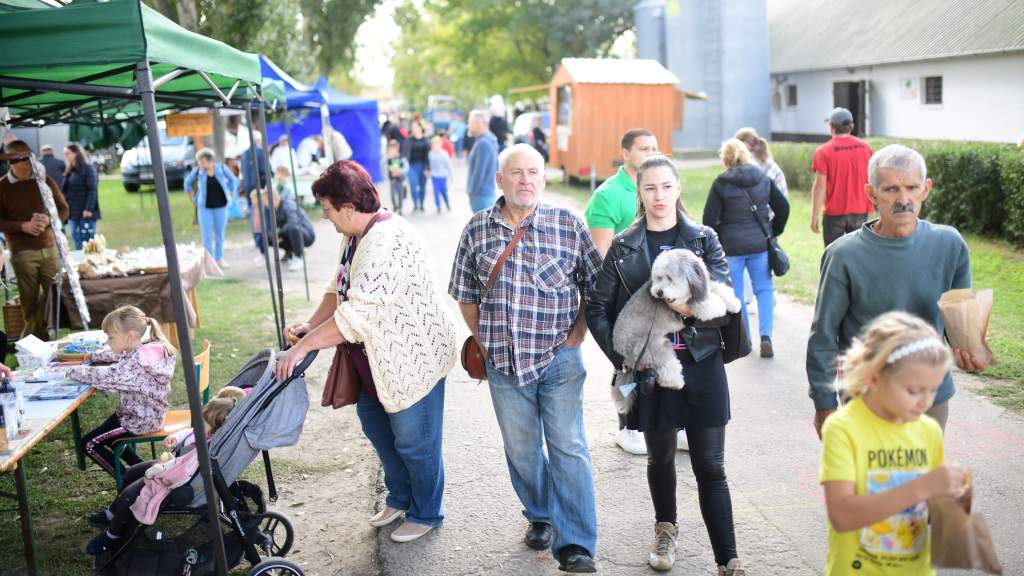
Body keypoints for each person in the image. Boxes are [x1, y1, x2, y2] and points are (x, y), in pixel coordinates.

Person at [276, 160, 458, 543]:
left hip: (411, 360)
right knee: (378, 428)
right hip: (374, 362)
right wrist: (311, 326)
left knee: (415, 441)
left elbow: (357, 313)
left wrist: (304, 349)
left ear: (347, 207)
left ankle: (427, 513)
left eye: (326, 209)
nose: (324, 217)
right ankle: (400, 496)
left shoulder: (387, 241)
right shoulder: (356, 235)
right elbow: (337, 285)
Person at [588, 154, 746, 576]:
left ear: (679, 189)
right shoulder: (623, 246)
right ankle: (666, 529)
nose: (659, 195)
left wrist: (690, 308)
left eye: (667, 186)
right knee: (659, 459)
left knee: (711, 465)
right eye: (650, 187)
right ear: (639, 192)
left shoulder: (703, 239)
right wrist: (625, 355)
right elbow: (598, 308)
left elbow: (725, 299)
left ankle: (727, 558)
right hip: (651, 368)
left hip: (701, 361)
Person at [449, 144, 602, 573]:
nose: (525, 179)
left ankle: (576, 545)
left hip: (559, 359)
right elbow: (465, 293)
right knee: (521, 449)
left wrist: (578, 332)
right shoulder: (477, 229)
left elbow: (595, 284)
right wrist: (483, 339)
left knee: (568, 446)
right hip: (501, 362)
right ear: (499, 180)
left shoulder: (567, 224)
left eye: (533, 171)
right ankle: (540, 513)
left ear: (544, 177)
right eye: (516, 172)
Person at [808, 144, 990, 438]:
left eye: (911, 187)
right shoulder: (843, 255)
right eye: (891, 189)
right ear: (871, 194)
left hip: (930, 397)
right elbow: (824, 336)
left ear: (925, 189)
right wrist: (823, 403)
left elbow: (960, 325)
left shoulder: (950, 245)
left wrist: (971, 350)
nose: (903, 199)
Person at [819, 311, 966, 576]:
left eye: (933, 389)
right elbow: (842, 516)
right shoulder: (844, 428)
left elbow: (929, 511)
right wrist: (922, 486)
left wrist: (948, 504)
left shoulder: (928, 430)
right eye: (914, 390)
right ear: (874, 378)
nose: (926, 402)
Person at [85, 387, 246, 556]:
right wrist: (175, 438)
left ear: (216, 429)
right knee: (132, 472)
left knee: (128, 496)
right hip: (171, 466)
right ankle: (111, 515)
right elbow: (189, 432)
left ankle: (111, 536)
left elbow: (182, 472)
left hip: (175, 480)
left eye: (204, 422)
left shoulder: (205, 449)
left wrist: (158, 470)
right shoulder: (202, 431)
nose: (199, 423)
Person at [584, 128, 660, 455]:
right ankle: (628, 426)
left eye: (655, 148)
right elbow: (600, 257)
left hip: (659, 294)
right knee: (627, 364)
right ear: (625, 153)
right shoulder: (608, 195)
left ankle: (669, 423)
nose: (651, 153)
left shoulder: (659, 187)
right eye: (644, 148)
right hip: (624, 297)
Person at [702, 139, 790, 359]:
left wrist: (714, 244)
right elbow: (783, 206)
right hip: (759, 244)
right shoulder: (762, 177)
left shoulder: (721, 183)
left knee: (738, 294)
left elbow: (708, 219)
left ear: (725, 159)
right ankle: (766, 337)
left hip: (731, 248)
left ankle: (746, 339)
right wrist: (773, 231)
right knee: (764, 289)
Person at [67, 306, 176, 478]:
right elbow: (122, 357)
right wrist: (94, 357)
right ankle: (142, 469)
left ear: (130, 335)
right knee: (108, 437)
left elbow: (109, 376)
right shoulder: (148, 349)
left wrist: (72, 371)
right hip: (143, 414)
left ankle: (128, 481)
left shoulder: (136, 363)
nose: (108, 341)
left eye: (110, 337)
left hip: (139, 420)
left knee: (88, 444)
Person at [0, 140, 70, 340]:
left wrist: (48, 220)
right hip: (22, 252)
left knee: (54, 296)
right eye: (23, 161)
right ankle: (40, 342)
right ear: (11, 163)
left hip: (50, 248)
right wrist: (23, 226)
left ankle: (30, 338)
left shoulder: (44, 181)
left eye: (30, 159)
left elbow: (64, 210)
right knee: (29, 301)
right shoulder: (2, 187)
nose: (29, 165)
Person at [810, 108, 874, 246]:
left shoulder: (823, 151)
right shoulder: (866, 148)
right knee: (858, 255)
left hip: (834, 214)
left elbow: (820, 186)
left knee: (833, 257)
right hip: (860, 211)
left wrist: (814, 217)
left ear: (832, 127)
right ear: (851, 126)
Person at [184, 149, 238, 269]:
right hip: (204, 208)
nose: (200, 164)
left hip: (221, 207)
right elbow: (187, 183)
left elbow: (233, 181)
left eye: (202, 162)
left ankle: (219, 259)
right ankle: (209, 262)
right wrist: (192, 199)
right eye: (199, 162)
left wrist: (231, 194)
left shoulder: (221, 168)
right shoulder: (198, 171)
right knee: (207, 236)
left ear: (209, 161)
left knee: (220, 234)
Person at [268, 170, 315, 272]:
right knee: (270, 238)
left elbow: (293, 223)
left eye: (267, 202)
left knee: (293, 228)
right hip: (293, 232)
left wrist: (279, 233)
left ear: (274, 199)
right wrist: (275, 235)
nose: (266, 205)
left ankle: (298, 257)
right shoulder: (276, 209)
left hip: (307, 235)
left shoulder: (288, 205)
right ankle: (290, 253)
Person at [62, 143, 101, 250]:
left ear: (76, 153)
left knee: (88, 241)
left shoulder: (88, 168)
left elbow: (92, 189)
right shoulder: (70, 170)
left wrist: (88, 209)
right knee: (76, 238)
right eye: (65, 153)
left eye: (68, 153)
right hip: (73, 211)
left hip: (86, 212)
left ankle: (91, 262)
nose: (66, 156)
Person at [465, 109, 499, 213]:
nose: (468, 126)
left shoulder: (483, 143)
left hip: (481, 196)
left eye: (470, 123)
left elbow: (479, 172)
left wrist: (471, 191)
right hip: (486, 194)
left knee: (482, 229)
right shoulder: (490, 140)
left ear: (479, 124)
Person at [403, 121, 431, 212]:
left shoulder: (426, 140)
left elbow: (428, 155)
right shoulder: (408, 140)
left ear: (420, 128)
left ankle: (422, 204)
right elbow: (404, 153)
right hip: (412, 166)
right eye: (412, 127)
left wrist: (427, 168)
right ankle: (415, 204)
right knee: (413, 185)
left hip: (423, 165)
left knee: (422, 187)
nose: (413, 129)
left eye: (415, 127)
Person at [427, 135, 452, 212]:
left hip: (443, 176)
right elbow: (429, 164)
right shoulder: (430, 154)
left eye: (437, 144)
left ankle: (447, 203)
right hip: (434, 176)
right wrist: (429, 172)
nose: (435, 146)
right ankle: (438, 206)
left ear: (440, 145)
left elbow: (448, 165)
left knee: (444, 191)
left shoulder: (444, 154)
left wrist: (451, 175)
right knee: (436, 191)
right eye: (434, 145)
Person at [386, 139, 409, 214]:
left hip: (400, 179)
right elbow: (382, 165)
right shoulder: (388, 158)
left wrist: (400, 171)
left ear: (397, 149)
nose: (392, 151)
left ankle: (400, 208)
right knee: (392, 194)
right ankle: (395, 206)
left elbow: (406, 167)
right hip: (392, 180)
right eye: (390, 150)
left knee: (400, 194)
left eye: (393, 149)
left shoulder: (401, 158)